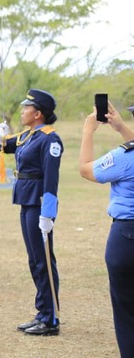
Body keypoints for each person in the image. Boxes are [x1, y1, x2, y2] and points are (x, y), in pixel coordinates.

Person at [0, 89, 62, 336]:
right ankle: (42, 312)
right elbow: (2, 145)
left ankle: (51, 318)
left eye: (26, 108)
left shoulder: (49, 139)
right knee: (34, 259)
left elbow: (51, 180)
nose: (22, 111)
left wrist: (48, 213)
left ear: (38, 113)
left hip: (39, 203)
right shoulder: (28, 135)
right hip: (25, 199)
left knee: (43, 259)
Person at [79, 102, 134, 356]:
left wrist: (88, 131)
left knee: (126, 312)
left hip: (126, 238)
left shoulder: (126, 156)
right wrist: (122, 128)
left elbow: (86, 169)